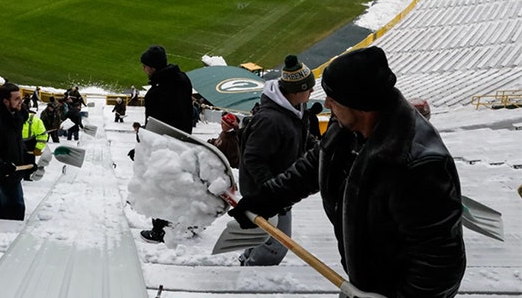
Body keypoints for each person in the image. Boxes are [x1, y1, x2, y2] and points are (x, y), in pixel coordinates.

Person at [230, 47, 465, 296]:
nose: (327, 104)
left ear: (361, 106)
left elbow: (440, 265)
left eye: (334, 99)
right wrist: (266, 200)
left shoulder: (418, 165)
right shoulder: (345, 128)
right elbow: (313, 166)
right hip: (363, 282)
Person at [236, 54, 317, 266]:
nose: (312, 92)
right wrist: (271, 190)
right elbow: (253, 157)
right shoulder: (271, 120)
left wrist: (314, 146)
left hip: (278, 187)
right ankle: (255, 274)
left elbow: (298, 137)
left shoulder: (295, 110)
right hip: (267, 191)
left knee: (259, 235)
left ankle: (246, 263)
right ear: (296, 91)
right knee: (277, 244)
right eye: (309, 88)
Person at [139, 44, 195, 243]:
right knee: (180, 184)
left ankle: (159, 230)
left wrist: (140, 146)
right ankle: (189, 221)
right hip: (185, 141)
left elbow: (153, 128)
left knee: (161, 186)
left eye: (145, 66)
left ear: (153, 67)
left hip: (165, 146)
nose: (144, 70)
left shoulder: (155, 93)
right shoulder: (183, 79)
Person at [0, 83, 30, 220]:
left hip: (16, 168)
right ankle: (9, 233)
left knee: (4, 203)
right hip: (4, 173)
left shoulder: (17, 114)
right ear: (5, 101)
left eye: (20, 98)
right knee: (16, 206)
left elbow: (17, 142)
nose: (21, 101)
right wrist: (2, 166)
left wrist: (27, 160)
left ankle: (0, 228)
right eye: (16, 99)